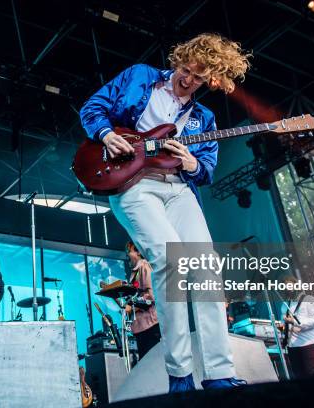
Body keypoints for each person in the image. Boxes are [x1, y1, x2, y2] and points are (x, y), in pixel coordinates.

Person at [80, 33, 251, 392]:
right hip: (132, 185)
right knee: (170, 261)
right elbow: (91, 108)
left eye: (199, 78)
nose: (187, 80)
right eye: (185, 69)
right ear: (179, 59)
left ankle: (219, 373)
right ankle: (180, 376)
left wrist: (191, 162)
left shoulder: (203, 118)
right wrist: (106, 133)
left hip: (178, 189)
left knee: (206, 269)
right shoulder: (140, 76)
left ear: (211, 80)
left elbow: (206, 169)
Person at [278, 277, 314, 379]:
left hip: (308, 344)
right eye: (285, 287)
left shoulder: (309, 300)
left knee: (311, 375)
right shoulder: (285, 305)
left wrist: (294, 322)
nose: (288, 289)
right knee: (298, 377)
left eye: (290, 286)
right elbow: (281, 323)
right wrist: (281, 328)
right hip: (292, 346)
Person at [125, 241, 161, 359]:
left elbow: (151, 296)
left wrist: (133, 306)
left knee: (151, 364)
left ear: (139, 252)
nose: (126, 254)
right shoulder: (135, 272)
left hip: (150, 327)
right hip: (141, 328)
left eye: (129, 251)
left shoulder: (144, 267)